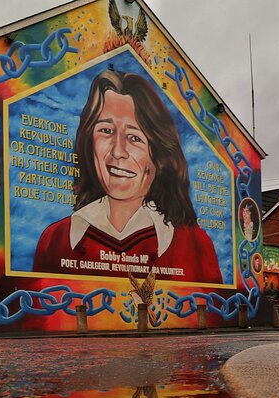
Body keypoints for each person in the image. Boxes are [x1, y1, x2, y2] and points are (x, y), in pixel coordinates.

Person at [33, 70, 221, 283]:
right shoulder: (56, 240)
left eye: (135, 137)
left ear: (159, 153)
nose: (118, 151)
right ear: (89, 141)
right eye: (106, 130)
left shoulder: (194, 245)